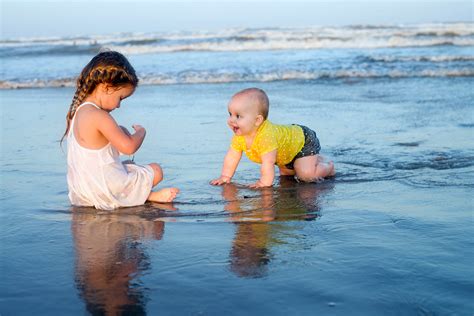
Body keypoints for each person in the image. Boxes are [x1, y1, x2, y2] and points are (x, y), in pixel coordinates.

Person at [61, 51, 179, 210]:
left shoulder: (77, 113)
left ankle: (139, 195)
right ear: (107, 87)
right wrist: (141, 132)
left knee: (129, 164)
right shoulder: (99, 115)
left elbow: (100, 147)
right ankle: (147, 196)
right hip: (105, 190)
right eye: (121, 98)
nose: (118, 105)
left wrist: (120, 130)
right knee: (156, 170)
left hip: (83, 193)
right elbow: (129, 147)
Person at [210, 88, 335, 188]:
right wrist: (225, 176)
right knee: (287, 176)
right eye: (230, 114)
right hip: (286, 151)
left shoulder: (266, 136)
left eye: (238, 116)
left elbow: (268, 162)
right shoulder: (240, 135)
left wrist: (264, 182)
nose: (231, 120)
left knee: (306, 176)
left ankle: (328, 167)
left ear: (257, 120)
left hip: (302, 141)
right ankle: (311, 160)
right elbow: (232, 156)